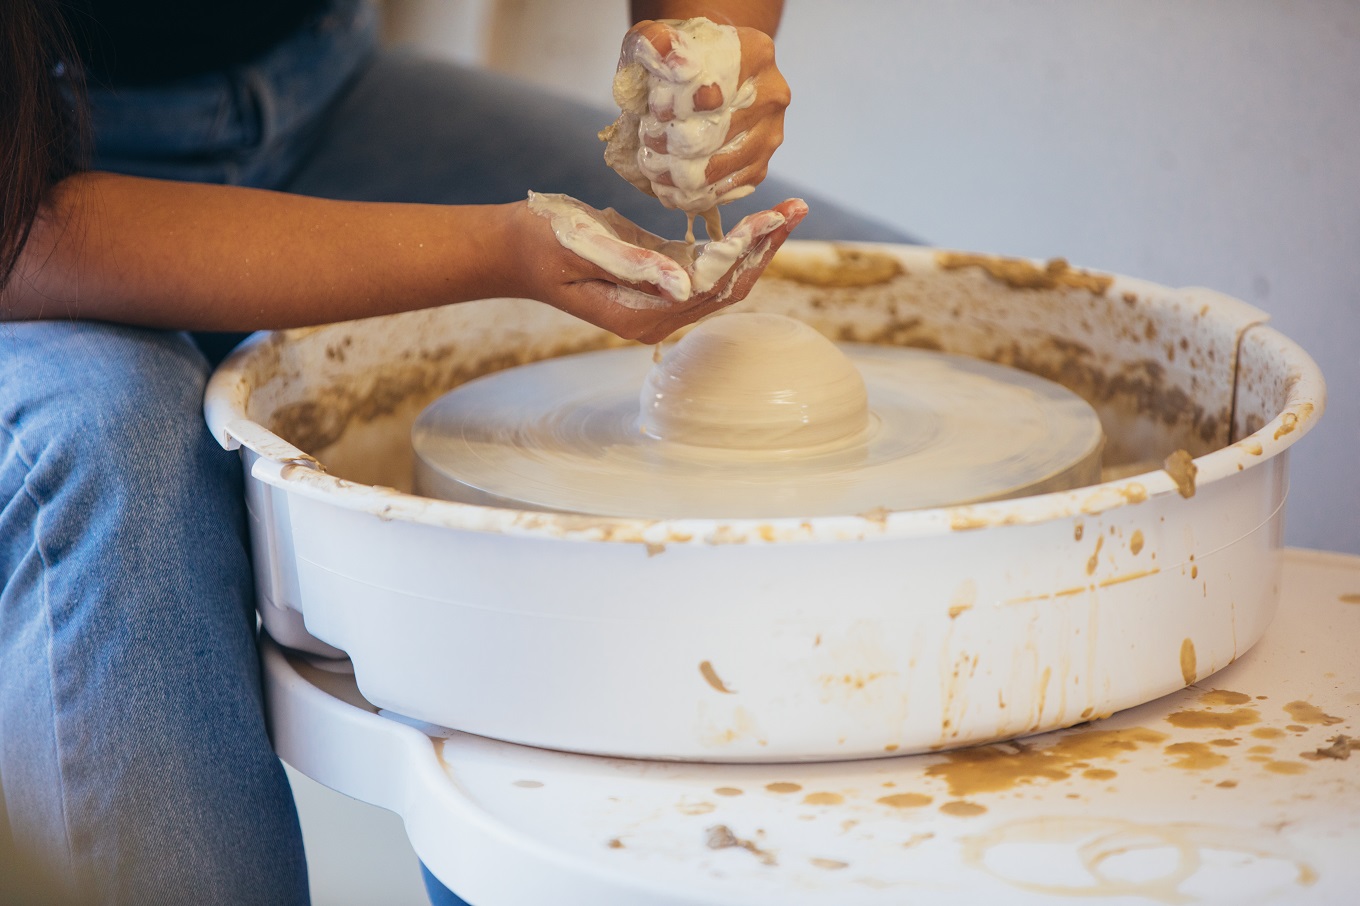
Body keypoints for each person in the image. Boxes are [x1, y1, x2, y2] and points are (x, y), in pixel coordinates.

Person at [0, 1, 909, 902]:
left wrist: (710, 56)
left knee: (886, 320)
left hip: (320, 86)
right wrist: (500, 252)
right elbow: (17, 239)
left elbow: (705, 39)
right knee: (112, 448)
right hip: (37, 181)